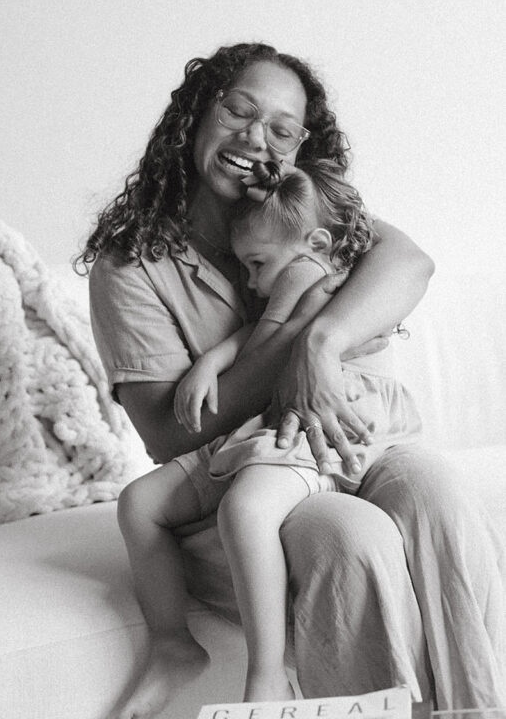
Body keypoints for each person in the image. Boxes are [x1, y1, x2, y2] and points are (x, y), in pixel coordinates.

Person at [82, 42, 506, 712]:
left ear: (300, 145)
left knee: (438, 490)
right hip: (237, 480)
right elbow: (167, 434)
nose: (256, 138)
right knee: (352, 537)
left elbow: (409, 263)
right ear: (195, 116)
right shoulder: (132, 263)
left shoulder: (308, 215)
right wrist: (290, 355)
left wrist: (320, 340)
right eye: (238, 111)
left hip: (351, 444)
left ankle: (474, 708)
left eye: (280, 128)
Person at [114, 156, 424, 714]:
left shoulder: (315, 271)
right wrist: (211, 361)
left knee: (246, 510)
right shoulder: (300, 266)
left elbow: (268, 341)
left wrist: (221, 360)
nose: (251, 282)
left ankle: (267, 675)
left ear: (317, 241)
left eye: (257, 264)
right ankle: (172, 642)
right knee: (139, 502)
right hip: (269, 421)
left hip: (318, 418)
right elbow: (263, 332)